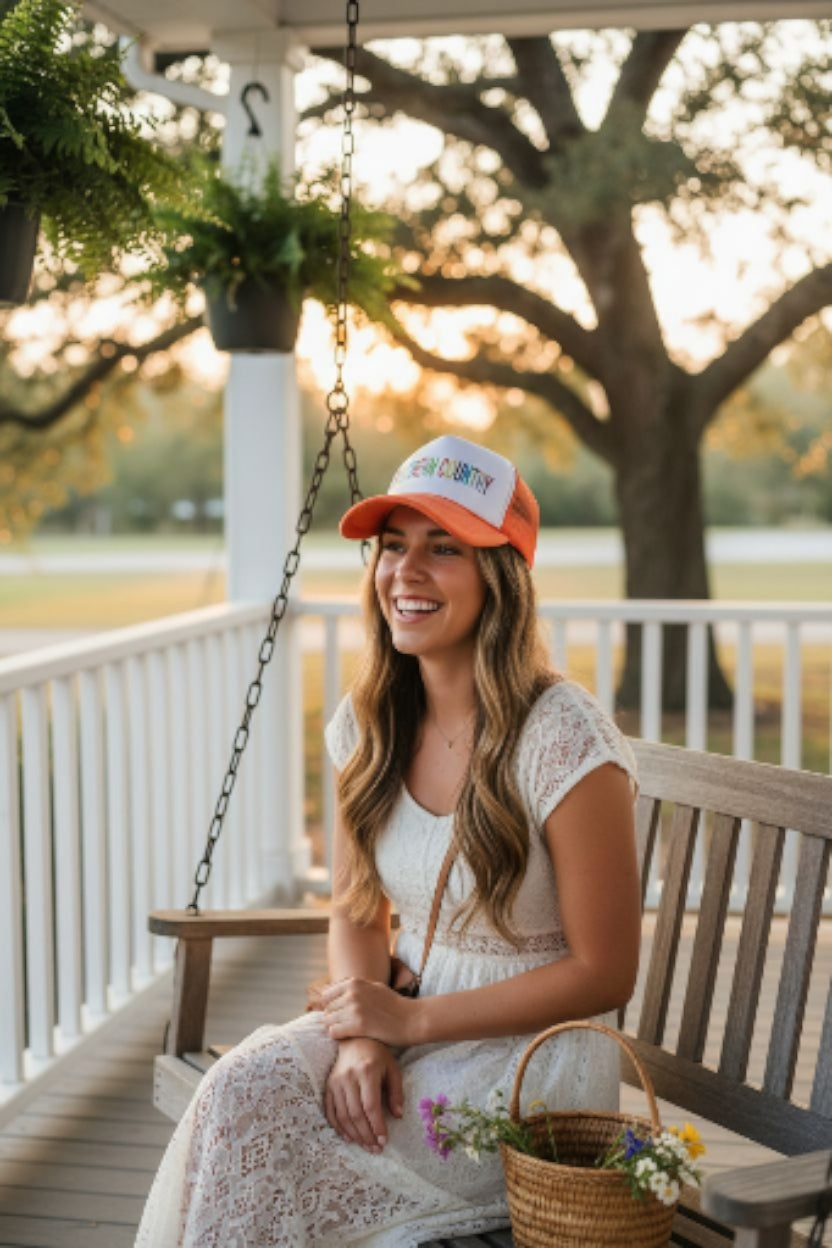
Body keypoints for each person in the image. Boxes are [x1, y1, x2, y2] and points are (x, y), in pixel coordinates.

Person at [135, 433, 641, 1248]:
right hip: (402, 1018)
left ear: (501, 575)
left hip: (530, 1063)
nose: (406, 571)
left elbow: (605, 970)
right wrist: (364, 1033)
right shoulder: (370, 724)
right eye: (393, 545)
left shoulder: (563, 737)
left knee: (297, 1153)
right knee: (238, 1091)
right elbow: (356, 909)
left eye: (444, 547)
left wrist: (409, 1024)